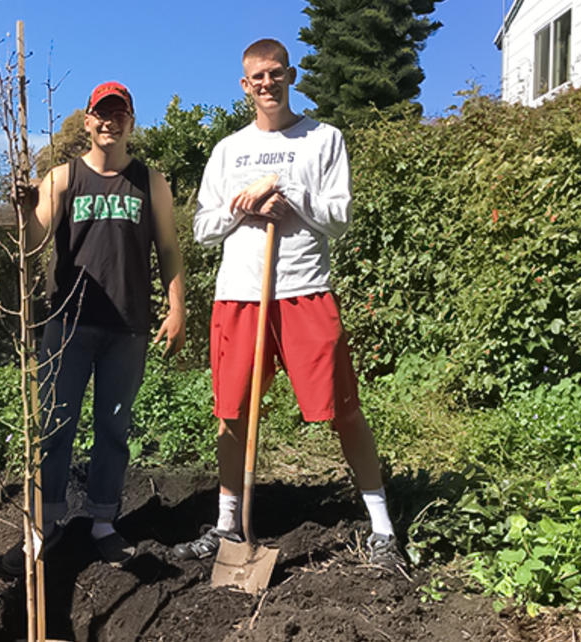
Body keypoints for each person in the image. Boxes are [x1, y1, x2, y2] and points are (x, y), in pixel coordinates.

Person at [177, 39, 407, 574]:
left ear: (291, 75)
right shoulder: (228, 150)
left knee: (343, 409)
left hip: (304, 289)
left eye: (275, 74)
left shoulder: (324, 139)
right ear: (244, 85)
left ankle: (381, 527)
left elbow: (340, 217)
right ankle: (228, 525)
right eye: (257, 77)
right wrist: (247, 207)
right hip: (240, 295)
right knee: (232, 414)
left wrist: (292, 198)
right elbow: (204, 229)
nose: (267, 84)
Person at [1, 81, 186, 573]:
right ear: (87, 121)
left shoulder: (152, 182)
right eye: (101, 114)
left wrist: (176, 308)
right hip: (67, 324)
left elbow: (168, 250)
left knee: (113, 427)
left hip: (128, 325)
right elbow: (36, 240)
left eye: (119, 113)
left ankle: (104, 521)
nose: (110, 122)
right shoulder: (62, 178)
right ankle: (46, 523)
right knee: (55, 427)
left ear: (130, 121)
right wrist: (25, 206)